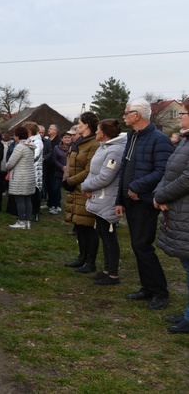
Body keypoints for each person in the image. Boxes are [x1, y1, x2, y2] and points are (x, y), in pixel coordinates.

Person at [116, 98, 173, 310]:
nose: (124, 116)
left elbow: (162, 171)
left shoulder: (159, 139)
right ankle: (148, 287)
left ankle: (160, 292)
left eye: (126, 112)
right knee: (137, 245)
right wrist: (120, 199)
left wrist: (137, 187)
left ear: (137, 115)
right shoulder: (132, 137)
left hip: (145, 200)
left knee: (142, 246)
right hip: (130, 199)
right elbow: (125, 169)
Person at [155, 98, 189, 332]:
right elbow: (170, 172)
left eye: (183, 112)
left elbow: (187, 178)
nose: (180, 117)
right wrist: (159, 193)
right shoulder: (186, 141)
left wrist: (162, 196)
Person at [81, 119, 126, 285]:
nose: (96, 132)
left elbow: (106, 176)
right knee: (103, 235)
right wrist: (88, 185)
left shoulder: (115, 151)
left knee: (110, 237)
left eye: (98, 130)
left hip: (107, 198)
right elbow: (94, 171)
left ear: (104, 132)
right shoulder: (104, 147)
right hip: (99, 197)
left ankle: (113, 274)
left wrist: (85, 185)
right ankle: (107, 270)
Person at [63, 112, 99, 272]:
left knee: (89, 226)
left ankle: (91, 262)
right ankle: (82, 257)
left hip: (86, 189)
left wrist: (71, 181)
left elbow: (89, 169)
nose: (77, 125)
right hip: (76, 189)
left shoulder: (94, 144)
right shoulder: (81, 142)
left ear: (87, 125)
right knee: (80, 225)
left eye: (80, 122)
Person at [4, 126, 36, 229]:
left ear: (17, 136)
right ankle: (28, 222)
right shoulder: (30, 146)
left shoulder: (20, 147)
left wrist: (6, 166)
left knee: (20, 200)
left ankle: (21, 221)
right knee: (27, 199)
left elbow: (11, 163)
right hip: (29, 175)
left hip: (20, 176)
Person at [49, 130, 72, 215]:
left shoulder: (73, 147)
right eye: (65, 137)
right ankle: (54, 204)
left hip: (70, 173)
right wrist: (62, 167)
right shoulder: (57, 148)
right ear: (62, 139)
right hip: (58, 172)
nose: (67, 139)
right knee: (55, 189)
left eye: (69, 137)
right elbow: (54, 159)